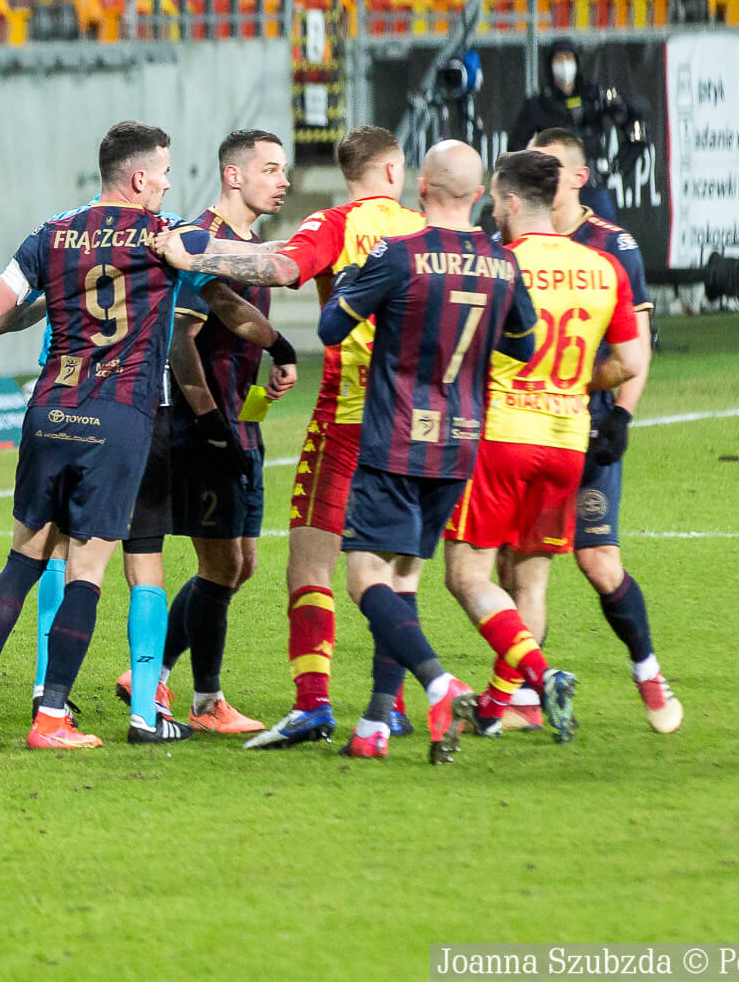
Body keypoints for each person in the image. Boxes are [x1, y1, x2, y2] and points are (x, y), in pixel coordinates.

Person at [0, 121, 211, 750]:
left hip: (49, 410)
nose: (167, 183)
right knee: (87, 572)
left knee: (23, 559)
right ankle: (51, 717)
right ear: (138, 177)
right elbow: (260, 265)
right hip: (118, 415)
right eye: (163, 172)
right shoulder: (166, 234)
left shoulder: (50, 234)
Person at [157, 125, 427, 750]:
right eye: (273, 169)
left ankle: (311, 704)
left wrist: (193, 254)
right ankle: (392, 705)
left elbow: (281, 268)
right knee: (395, 572)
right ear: (394, 171)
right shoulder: (430, 234)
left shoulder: (331, 225)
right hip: (419, 426)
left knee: (301, 567)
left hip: (346, 420)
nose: (282, 181)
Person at [317, 140, 539, 761]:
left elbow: (332, 327)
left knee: (365, 577)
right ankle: (375, 724)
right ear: (479, 196)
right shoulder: (502, 261)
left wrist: (352, 285)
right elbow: (523, 345)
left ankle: (439, 683)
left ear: (421, 187)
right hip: (460, 442)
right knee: (404, 577)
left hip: (396, 439)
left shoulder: (398, 253)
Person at [438, 150, 649, 743]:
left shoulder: (499, 264)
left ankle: (540, 674)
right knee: (529, 582)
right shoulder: (603, 266)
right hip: (566, 442)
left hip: (503, 438)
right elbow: (630, 362)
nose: (491, 212)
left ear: (509, 201)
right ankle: (509, 704)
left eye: (494, 202)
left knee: (467, 576)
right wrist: (577, 383)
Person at [143, 129, 299, 735]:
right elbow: (180, 343)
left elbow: (236, 323)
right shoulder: (198, 242)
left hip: (242, 423)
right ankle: (206, 701)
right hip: (203, 429)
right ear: (233, 175)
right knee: (220, 565)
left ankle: (150, 672)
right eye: (270, 169)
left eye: (284, 170)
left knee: (241, 564)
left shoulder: (249, 249)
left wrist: (275, 359)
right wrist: (210, 423)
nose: (283, 181)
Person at [527, 127, 682, 734]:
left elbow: (635, 348)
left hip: (588, 427)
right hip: (528, 425)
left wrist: (622, 415)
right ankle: (523, 697)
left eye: (550, 165)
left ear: (579, 177)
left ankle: (648, 672)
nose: (540, 173)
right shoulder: (516, 237)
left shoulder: (613, 246)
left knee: (597, 560)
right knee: (522, 563)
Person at [505, 37, 645, 220]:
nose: (564, 65)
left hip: (591, 183)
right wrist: (535, 177)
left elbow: (635, 128)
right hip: (554, 187)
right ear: (550, 64)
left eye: (568, 58)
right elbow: (515, 148)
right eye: (559, 59)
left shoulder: (595, 97)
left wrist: (618, 167)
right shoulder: (539, 104)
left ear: (577, 62)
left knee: (603, 229)